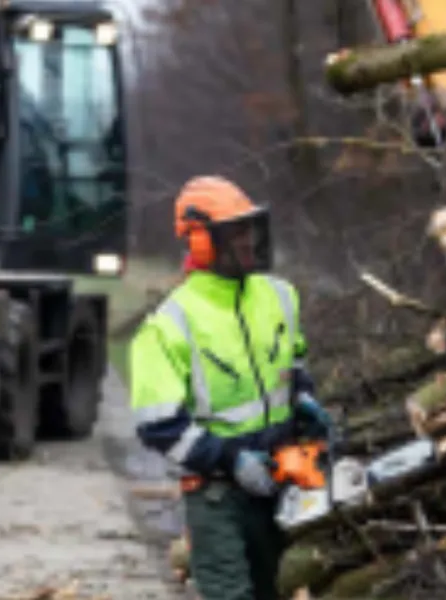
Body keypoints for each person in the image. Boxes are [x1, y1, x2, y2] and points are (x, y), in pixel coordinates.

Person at [128, 175, 333, 600]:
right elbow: (158, 425)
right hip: (217, 495)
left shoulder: (279, 296)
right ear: (201, 242)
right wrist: (230, 461)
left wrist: (305, 402)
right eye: (236, 232)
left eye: (250, 229)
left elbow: (292, 364)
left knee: (280, 589)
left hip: (280, 479)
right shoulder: (170, 324)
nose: (248, 241)